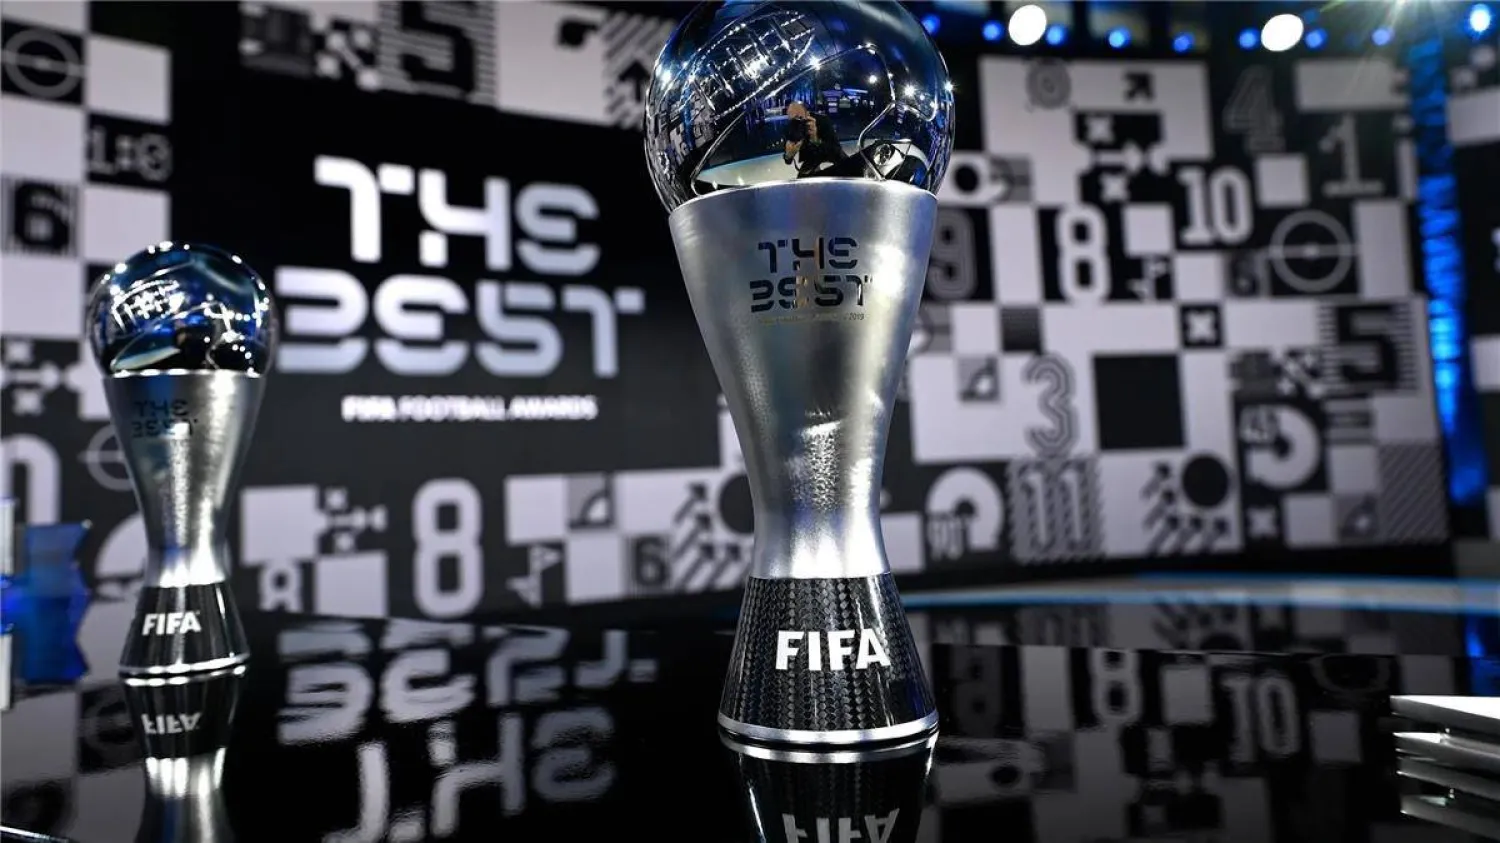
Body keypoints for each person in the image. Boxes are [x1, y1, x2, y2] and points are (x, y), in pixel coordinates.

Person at [781, 101, 846, 177]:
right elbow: (788, 161)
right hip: (811, 157)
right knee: (802, 178)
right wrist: (789, 155)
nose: (796, 122)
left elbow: (836, 151)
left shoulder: (822, 120)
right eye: (792, 119)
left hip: (829, 152)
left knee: (847, 167)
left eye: (799, 118)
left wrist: (816, 140)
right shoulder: (790, 128)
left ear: (807, 114)